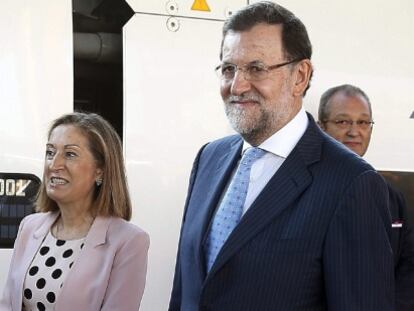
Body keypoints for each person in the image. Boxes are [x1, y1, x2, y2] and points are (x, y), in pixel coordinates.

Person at [169, 2, 394, 310]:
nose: (237, 85)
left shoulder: (352, 184)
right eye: (228, 68)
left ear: (300, 76)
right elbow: (186, 291)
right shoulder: (210, 158)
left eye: (256, 68)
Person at [0, 112, 149, 310]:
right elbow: (8, 304)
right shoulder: (30, 226)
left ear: (100, 170)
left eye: (70, 154)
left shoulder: (129, 241)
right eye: (50, 153)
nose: (54, 165)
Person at [318, 84, 414, 311]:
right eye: (343, 122)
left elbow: (408, 269)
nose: (354, 131)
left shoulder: (393, 199)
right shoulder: (304, 190)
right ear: (321, 128)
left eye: (363, 122)